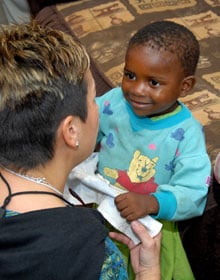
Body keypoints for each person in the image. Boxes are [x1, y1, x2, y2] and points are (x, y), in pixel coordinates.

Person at [0, 22, 161, 280]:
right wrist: (148, 272)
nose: (99, 108)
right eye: (93, 99)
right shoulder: (91, 255)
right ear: (71, 130)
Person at [95, 20, 211, 280]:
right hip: (101, 213)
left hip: (147, 231)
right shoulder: (114, 102)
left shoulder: (187, 134)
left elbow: (194, 192)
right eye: (130, 75)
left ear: (185, 86)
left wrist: (151, 202)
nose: (136, 90)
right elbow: (87, 124)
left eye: (154, 83)